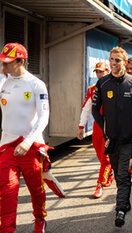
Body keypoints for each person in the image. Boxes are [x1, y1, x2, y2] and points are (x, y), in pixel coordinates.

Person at [92, 46, 132, 227]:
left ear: (124, 62)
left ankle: (120, 210)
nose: (113, 63)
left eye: (117, 60)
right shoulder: (102, 83)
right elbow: (95, 110)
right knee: (118, 173)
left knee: (124, 175)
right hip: (112, 140)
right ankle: (125, 200)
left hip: (129, 140)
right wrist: (106, 129)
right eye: (111, 59)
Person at [0, 43, 50, 232]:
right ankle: (6, 229)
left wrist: (28, 142)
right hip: (7, 146)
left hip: (32, 147)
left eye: (8, 63)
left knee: (36, 190)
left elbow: (44, 117)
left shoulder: (36, 84)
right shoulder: (2, 80)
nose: (3, 66)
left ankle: (40, 219)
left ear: (21, 61)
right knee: (7, 192)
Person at [77, 62, 114, 198]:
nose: (99, 74)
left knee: (105, 158)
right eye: (97, 71)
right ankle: (109, 173)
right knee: (100, 157)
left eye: (101, 71)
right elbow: (86, 109)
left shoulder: (114, 86)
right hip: (96, 129)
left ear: (107, 71)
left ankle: (99, 184)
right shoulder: (92, 89)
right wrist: (81, 127)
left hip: (110, 128)